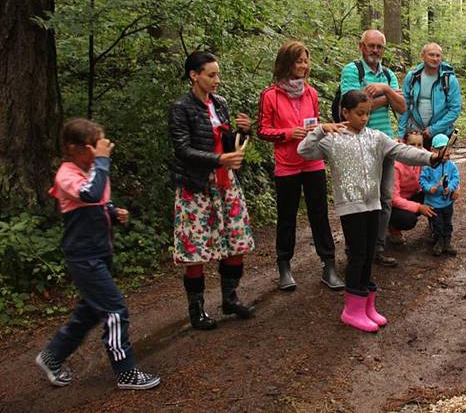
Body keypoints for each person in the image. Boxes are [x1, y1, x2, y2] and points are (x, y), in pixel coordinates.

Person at [297, 90, 439, 333]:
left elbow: (402, 151)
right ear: (345, 112)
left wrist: (431, 158)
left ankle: (367, 304)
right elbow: (304, 151)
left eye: (367, 114)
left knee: (370, 252)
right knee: (358, 254)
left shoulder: (376, 137)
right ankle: (351, 310)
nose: (364, 118)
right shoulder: (333, 139)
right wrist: (321, 129)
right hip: (350, 206)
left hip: (372, 203)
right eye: (359, 113)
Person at [36, 119, 160, 390]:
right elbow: (89, 194)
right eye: (94, 146)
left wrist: (114, 213)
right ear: (73, 148)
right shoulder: (66, 174)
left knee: (90, 312)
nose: (100, 151)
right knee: (115, 311)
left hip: (100, 252)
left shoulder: (94, 169)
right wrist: (102, 161)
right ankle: (126, 371)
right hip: (83, 256)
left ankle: (51, 356)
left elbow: (99, 202)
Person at [168, 51, 256, 331]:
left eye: (218, 74)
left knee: (236, 241)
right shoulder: (181, 107)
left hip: (226, 183)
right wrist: (219, 159)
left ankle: (230, 298)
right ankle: (197, 309)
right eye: (211, 74)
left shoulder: (221, 104)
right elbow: (182, 149)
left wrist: (244, 131)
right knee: (196, 250)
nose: (217, 80)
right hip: (196, 187)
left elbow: (228, 143)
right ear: (194, 76)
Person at [257, 41, 344, 292]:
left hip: (313, 161)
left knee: (320, 215)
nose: (304, 66)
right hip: (286, 165)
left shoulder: (312, 93)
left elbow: (315, 123)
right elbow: (262, 130)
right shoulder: (270, 95)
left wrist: (316, 131)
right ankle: (284, 266)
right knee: (287, 217)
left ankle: (329, 265)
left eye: (306, 61)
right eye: (298, 61)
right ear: (286, 63)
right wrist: (288, 133)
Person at [339, 30, 407, 267]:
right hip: (358, 144)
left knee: (384, 198)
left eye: (380, 47)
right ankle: (356, 249)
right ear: (361, 46)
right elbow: (351, 106)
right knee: (361, 198)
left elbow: (402, 107)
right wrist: (382, 100)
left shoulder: (387, 75)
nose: (375, 51)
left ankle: (377, 248)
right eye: (371, 46)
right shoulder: (351, 70)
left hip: (385, 143)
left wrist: (386, 90)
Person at [398, 43, 462, 149]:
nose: (435, 59)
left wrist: (433, 130)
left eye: (438, 55)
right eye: (431, 55)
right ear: (423, 56)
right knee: (415, 165)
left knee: (439, 164)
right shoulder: (413, 77)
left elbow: (454, 110)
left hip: (441, 134)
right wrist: (401, 133)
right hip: (416, 134)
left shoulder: (449, 80)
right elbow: (405, 106)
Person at [387, 131, 437, 243]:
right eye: (412, 145)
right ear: (404, 144)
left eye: (420, 145)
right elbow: (393, 198)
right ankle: (392, 226)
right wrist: (418, 207)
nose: (416, 149)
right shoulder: (396, 165)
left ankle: (436, 225)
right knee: (408, 219)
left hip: (414, 194)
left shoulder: (425, 157)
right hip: (393, 203)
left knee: (437, 194)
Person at [419, 134, 461, 256]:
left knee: (447, 222)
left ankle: (447, 241)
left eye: (448, 149)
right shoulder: (428, 166)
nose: (447, 152)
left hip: (447, 202)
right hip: (433, 203)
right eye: (442, 149)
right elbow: (422, 180)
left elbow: (455, 178)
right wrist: (429, 188)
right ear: (433, 150)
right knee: (437, 223)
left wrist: (451, 188)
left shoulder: (451, 166)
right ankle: (439, 240)